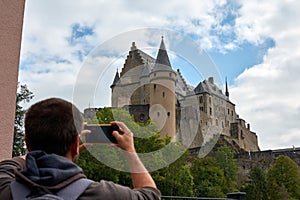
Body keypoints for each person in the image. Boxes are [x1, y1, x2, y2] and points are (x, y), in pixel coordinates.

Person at [0, 98, 160, 199]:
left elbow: (8, 166)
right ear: (76, 144)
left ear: (27, 143)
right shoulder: (103, 194)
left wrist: (35, 149)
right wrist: (130, 151)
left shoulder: (6, 190)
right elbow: (151, 194)